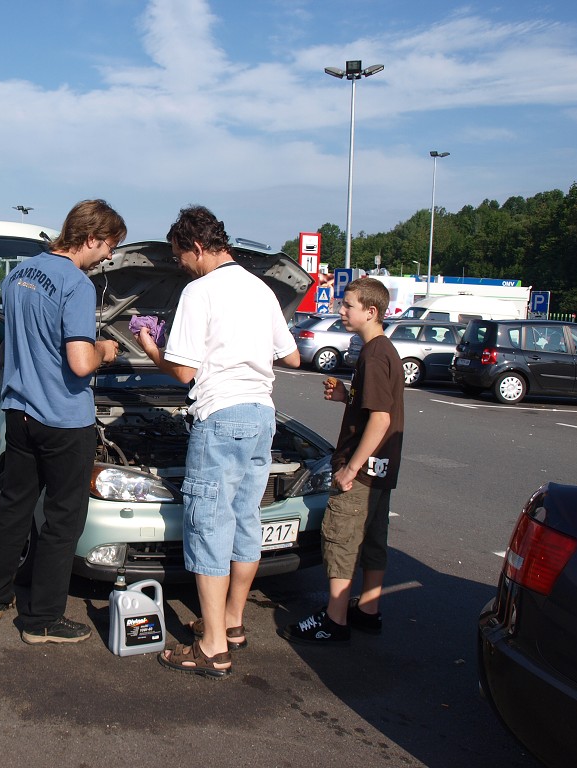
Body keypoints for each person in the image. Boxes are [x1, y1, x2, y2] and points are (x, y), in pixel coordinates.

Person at [134, 205, 300, 678]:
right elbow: (290, 358)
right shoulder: (261, 288)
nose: (179, 264)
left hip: (220, 417)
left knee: (209, 524)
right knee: (245, 520)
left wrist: (151, 349)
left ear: (198, 248)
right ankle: (231, 624)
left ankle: (210, 648)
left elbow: (184, 370)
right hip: (262, 415)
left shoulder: (200, 291)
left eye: (178, 255)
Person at [0, 199, 125, 645]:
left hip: (20, 413)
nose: (108, 257)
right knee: (63, 522)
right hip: (63, 420)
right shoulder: (76, 285)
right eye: (109, 247)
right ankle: (42, 620)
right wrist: (105, 349)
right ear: (93, 238)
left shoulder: (18, 274)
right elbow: (80, 363)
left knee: (15, 508)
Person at [282, 277, 405, 645]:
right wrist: (347, 398)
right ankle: (368, 611)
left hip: (362, 471)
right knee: (372, 540)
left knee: (341, 540)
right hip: (382, 470)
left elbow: (381, 419)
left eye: (348, 305)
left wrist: (350, 468)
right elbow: (376, 407)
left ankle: (333, 621)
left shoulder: (374, 353)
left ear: (371, 311)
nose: (340, 311)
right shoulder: (385, 351)